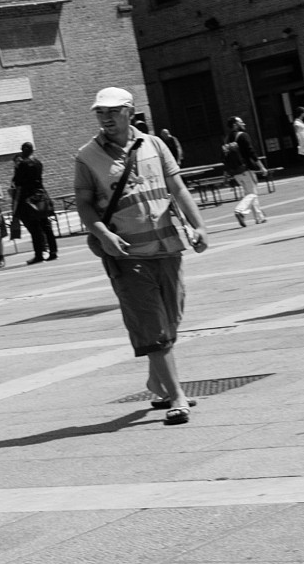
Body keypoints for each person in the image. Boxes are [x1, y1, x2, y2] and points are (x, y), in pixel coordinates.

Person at [73, 87, 211, 423]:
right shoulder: (87, 156)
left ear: (129, 111)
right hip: (126, 254)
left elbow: (177, 187)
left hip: (167, 247)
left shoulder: (155, 144)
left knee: (171, 320)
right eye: (100, 112)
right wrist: (103, 234)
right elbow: (84, 204)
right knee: (152, 326)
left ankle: (156, 380)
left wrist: (199, 226)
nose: (105, 118)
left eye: (112, 111)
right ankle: (177, 396)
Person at [10, 144, 57, 263]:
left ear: (24, 150)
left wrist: (17, 171)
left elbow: (17, 181)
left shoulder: (23, 164)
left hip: (28, 198)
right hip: (40, 195)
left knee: (35, 228)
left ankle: (39, 254)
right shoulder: (38, 162)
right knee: (46, 225)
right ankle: (53, 251)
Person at [222, 117, 266, 226]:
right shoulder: (242, 135)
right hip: (246, 169)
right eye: (241, 122)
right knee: (252, 193)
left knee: (249, 193)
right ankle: (240, 211)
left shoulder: (227, 139)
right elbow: (251, 152)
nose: (243, 124)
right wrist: (262, 167)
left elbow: (225, 157)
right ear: (235, 124)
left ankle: (259, 217)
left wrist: (226, 173)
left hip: (235, 172)